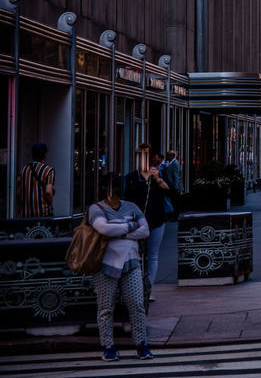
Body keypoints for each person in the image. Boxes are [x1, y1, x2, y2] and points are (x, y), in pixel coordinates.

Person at [88, 174, 153, 361]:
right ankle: (108, 344)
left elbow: (145, 230)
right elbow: (104, 229)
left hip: (130, 262)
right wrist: (131, 226)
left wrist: (118, 231)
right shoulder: (96, 209)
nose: (112, 193)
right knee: (105, 307)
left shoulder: (130, 206)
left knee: (136, 304)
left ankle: (141, 343)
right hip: (105, 264)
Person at [124, 144, 170, 297]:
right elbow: (126, 200)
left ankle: (148, 289)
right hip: (137, 221)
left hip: (156, 218)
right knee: (136, 254)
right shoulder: (131, 177)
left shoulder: (157, 175)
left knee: (152, 255)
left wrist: (157, 179)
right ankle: (137, 288)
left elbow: (169, 191)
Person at [16, 142, 55, 218]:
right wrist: (51, 206)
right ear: (44, 155)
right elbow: (48, 192)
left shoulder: (23, 170)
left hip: (24, 215)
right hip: (43, 214)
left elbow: (18, 193)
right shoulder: (48, 170)